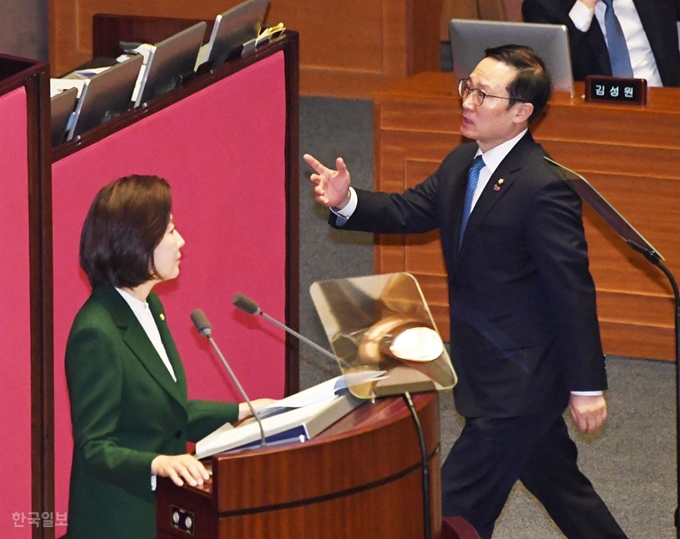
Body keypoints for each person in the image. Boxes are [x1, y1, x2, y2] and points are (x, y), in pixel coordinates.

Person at [304, 45, 628, 538]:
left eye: (483, 94)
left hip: (519, 384)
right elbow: (408, 211)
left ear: (520, 113)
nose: (468, 102)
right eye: (467, 88)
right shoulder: (463, 163)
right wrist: (347, 199)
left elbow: (572, 291)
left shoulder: (544, 187)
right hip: (485, 365)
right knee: (564, 491)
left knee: (450, 512)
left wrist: (586, 387)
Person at [64, 175, 272, 539]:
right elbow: (95, 447)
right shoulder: (96, 331)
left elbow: (163, 414)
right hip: (118, 520)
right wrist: (158, 463)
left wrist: (245, 412)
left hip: (160, 513)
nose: (181, 241)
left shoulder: (149, 305)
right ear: (137, 242)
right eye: (171, 231)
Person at [522, 0, 680, 86]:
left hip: (663, 99)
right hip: (596, 113)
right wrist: (585, 5)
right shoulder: (543, 5)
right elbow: (549, 70)